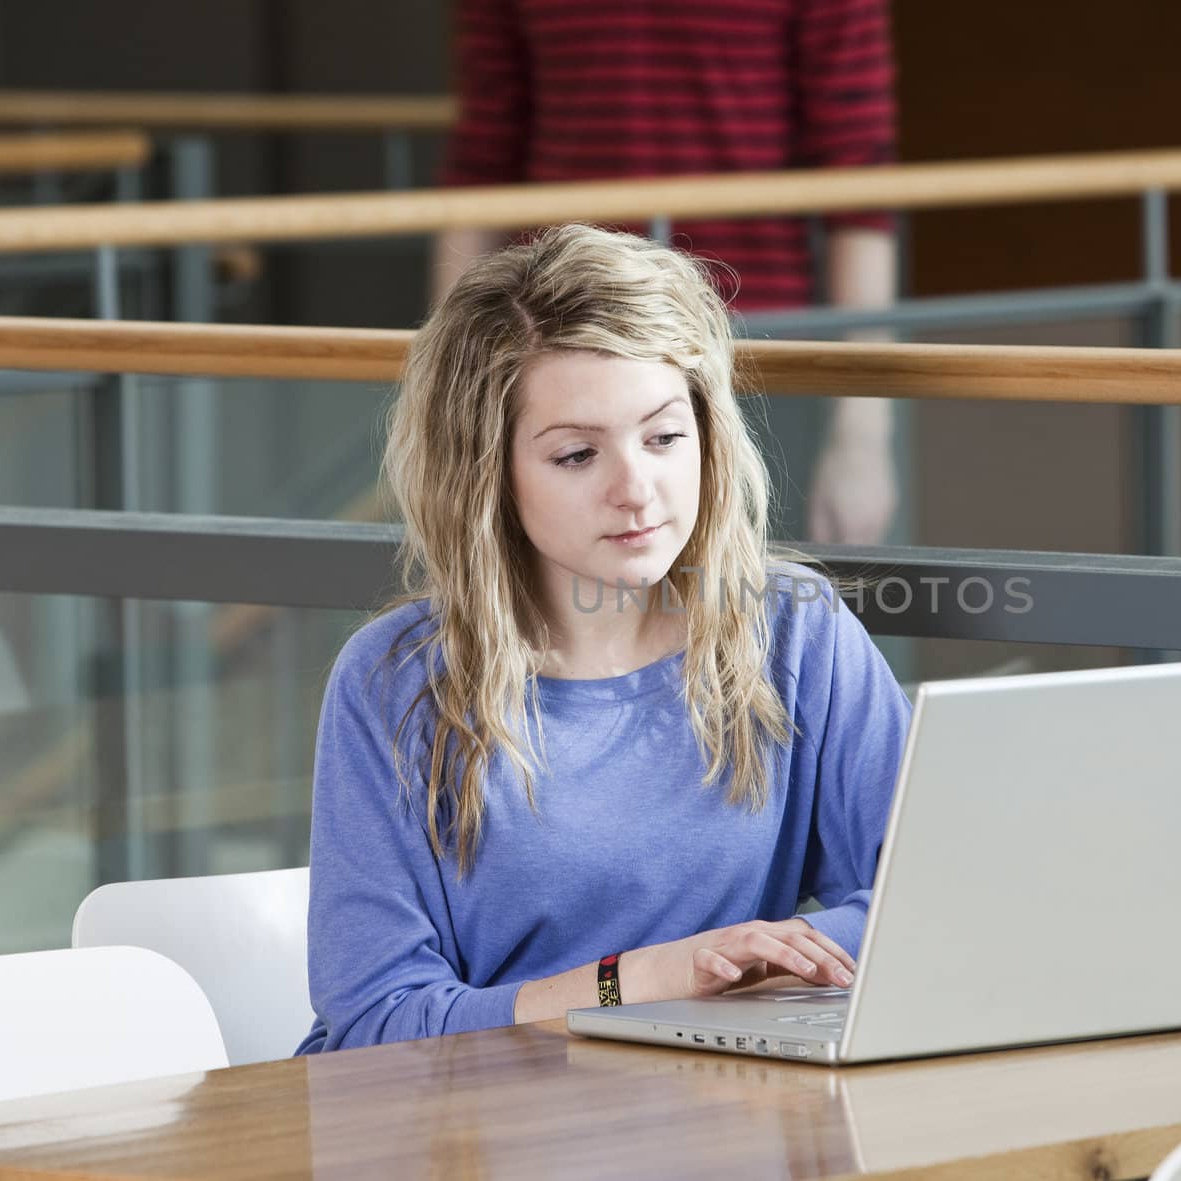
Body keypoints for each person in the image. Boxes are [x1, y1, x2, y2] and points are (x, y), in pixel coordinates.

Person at [296, 225, 912, 1052]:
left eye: (663, 437)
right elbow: (378, 1018)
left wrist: (752, 965)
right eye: (578, 454)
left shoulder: (795, 629)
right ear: (487, 472)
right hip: (463, 1130)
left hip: (707, 1112)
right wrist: (652, 978)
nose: (637, 489)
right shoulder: (395, 681)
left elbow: (926, 892)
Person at [433, 0, 901, 545]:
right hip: (553, 346)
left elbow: (860, 189)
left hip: (748, 351)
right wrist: (449, 394)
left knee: (742, 603)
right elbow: (483, 162)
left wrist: (863, 438)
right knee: (554, 608)